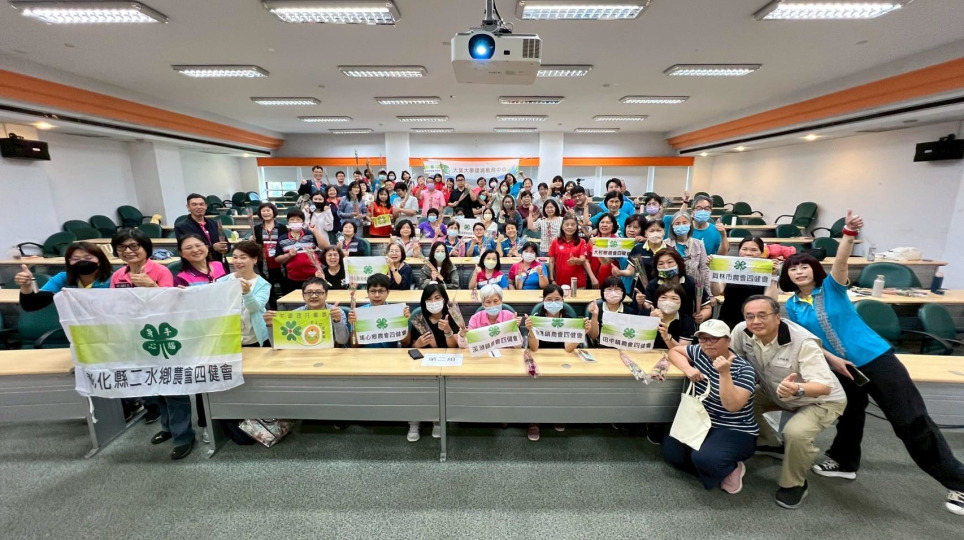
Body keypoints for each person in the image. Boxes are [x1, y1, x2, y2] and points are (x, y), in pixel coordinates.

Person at [780, 210, 964, 515]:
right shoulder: (793, 304)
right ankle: (844, 462)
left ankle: (958, 481)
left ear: (815, 270)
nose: (799, 272)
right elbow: (808, 341)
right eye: (793, 269)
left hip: (876, 359)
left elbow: (841, 261)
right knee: (850, 416)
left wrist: (848, 234)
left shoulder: (832, 288)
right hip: (842, 367)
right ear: (787, 276)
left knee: (909, 421)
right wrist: (834, 361)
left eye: (804, 266)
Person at [730, 295, 847, 509]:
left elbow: (824, 386)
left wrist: (798, 389)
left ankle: (795, 484)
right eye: (750, 316)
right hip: (775, 391)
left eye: (763, 315)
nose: (756, 321)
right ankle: (770, 443)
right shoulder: (742, 331)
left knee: (796, 433)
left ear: (778, 317)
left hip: (819, 399)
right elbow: (734, 359)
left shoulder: (803, 342)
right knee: (741, 399)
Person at [663, 319, 758, 493]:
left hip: (733, 427)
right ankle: (712, 467)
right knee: (671, 452)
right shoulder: (700, 352)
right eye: (703, 338)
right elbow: (675, 351)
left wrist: (724, 373)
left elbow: (733, 406)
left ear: (728, 340)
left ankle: (732, 468)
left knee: (705, 459)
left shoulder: (744, 369)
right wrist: (688, 369)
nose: (708, 343)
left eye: (714, 338)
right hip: (702, 420)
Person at [346, 273, 415, 440]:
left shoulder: (397, 311)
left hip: (392, 358)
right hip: (366, 359)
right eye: (373, 291)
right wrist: (354, 326)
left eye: (381, 291)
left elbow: (406, 342)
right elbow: (354, 345)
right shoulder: (360, 313)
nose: (377, 295)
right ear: (367, 293)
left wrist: (404, 321)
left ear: (388, 293)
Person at [402, 283, 462, 439]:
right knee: (415, 388)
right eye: (429, 299)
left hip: (447, 363)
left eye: (437, 298)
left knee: (440, 389)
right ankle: (414, 421)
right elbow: (409, 346)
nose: (433, 302)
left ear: (444, 299)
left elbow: (455, 347)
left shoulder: (452, 316)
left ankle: (438, 420)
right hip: (423, 365)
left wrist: (448, 331)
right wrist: (418, 344)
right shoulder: (419, 319)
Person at [15, 241, 112, 311]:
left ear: (99, 261)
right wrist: (26, 286)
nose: (82, 261)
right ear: (69, 262)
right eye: (76, 259)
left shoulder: (113, 279)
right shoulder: (62, 278)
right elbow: (31, 305)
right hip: (77, 329)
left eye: (88, 258)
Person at [711, 237, 780, 329]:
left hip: (756, 319)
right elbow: (716, 291)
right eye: (744, 249)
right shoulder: (730, 266)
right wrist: (713, 271)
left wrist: (773, 275)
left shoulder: (767, 270)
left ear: (761, 252)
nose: (748, 253)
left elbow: (771, 300)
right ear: (739, 251)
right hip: (729, 317)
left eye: (754, 250)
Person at [263, 277, 349, 346]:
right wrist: (270, 325)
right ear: (303, 296)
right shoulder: (295, 314)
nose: (314, 296)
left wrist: (337, 321)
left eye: (319, 292)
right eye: (309, 292)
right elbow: (277, 344)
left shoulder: (336, 312)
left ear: (326, 295)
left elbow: (342, 340)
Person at [218, 240, 271, 347]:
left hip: (254, 338)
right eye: (235, 257)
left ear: (254, 259)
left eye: (243, 257)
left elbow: (254, 308)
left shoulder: (263, 285)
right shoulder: (223, 281)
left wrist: (247, 292)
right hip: (229, 337)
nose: (238, 261)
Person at [645, 249, 709, 323]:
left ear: (678, 263)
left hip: (685, 324)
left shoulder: (692, 283)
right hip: (659, 323)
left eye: (670, 262)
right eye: (661, 264)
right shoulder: (653, 285)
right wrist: (642, 305)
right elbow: (647, 307)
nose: (666, 267)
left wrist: (702, 316)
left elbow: (707, 307)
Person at [273, 209, 328, 294]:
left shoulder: (310, 234)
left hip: (314, 276)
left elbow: (325, 246)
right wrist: (289, 255)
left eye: (298, 219)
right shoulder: (282, 239)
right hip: (294, 278)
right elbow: (277, 259)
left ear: (303, 222)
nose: (295, 222)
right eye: (292, 220)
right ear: (288, 222)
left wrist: (315, 231)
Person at [665, 211, 710, 312]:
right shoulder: (665, 244)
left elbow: (704, 269)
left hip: (693, 289)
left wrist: (708, 293)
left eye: (684, 222)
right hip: (671, 289)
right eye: (677, 223)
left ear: (690, 224)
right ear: (672, 226)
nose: (681, 225)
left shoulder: (699, 244)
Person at [615, 216, 665, 293]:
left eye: (659, 230)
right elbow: (630, 271)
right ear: (646, 233)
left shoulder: (669, 250)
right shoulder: (638, 249)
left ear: (664, 232)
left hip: (663, 290)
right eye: (651, 231)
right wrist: (620, 272)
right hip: (640, 291)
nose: (655, 233)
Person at [174, 193, 228, 263]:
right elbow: (186, 249)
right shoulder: (181, 227)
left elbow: (226, 244)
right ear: (188, 207)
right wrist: (212, 248)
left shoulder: (214, 224)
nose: (199, 207)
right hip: (197, 264)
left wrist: (225, 248)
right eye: (194, 204)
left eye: (201, 204)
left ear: (206, 206)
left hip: (219, 263)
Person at [253, 202, 288, 308]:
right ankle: (273, 310)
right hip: (264, 263)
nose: (266, 213)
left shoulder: (282, 227)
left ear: (274, 212)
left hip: (280, 262)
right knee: (269, 288)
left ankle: (286, 309)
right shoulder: (257, 228)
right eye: (263, 211)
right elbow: (256, 245)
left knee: (285, 286)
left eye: (268, 210)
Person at [587, 276, 638, 343]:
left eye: (617, 289)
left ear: (622, 293)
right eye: (609, 289)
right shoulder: (596, 309)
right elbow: (593, 336)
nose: (613, 293)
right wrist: (595, 315)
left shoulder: (629, 311)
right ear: (603, 292)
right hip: (603, 346)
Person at [649, 283, 695, 350]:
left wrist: (667, 337)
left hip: (673, 355)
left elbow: (683, 350)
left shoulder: (687, 321)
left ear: (681, 302)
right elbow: (637, 342)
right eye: (663, 297)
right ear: (657, 299)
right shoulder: (646, 314)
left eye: (674, 298)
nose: (668, 302)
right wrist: (651, 321)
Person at [547, 215, 589, 289]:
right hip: (560, 282)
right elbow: (551, 262)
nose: (570, 227)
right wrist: (552, 279)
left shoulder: (582, 242)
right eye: (567, 224)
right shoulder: (555, 242)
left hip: (578, 283)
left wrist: (576, 260)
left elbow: (583, 259)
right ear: (562, 227)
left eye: (573, 225)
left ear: (576, 227)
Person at [587, 213, 625, 289]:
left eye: (608, 222)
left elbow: (606, 261)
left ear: (613, 226)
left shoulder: (617, 242)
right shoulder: (592, 240)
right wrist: (592, 278)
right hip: (594, 281)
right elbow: (587, 260)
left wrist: (597, 247)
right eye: (602, 222)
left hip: (613, 283)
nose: (604, 225)